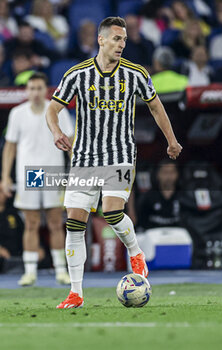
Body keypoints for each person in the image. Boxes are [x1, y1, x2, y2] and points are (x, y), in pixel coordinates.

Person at [46, 16, 182, 309]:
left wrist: (171, 140)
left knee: (110, 213)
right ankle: (76, 293)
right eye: (117, 39)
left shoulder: (135, 73)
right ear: (101, 40)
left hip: (119, 155)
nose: (122, 44)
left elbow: (156, 106)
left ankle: (135, 251)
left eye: (124, 40)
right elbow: (53, 109)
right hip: (83, 159)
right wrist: (57, 132)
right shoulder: (77, 74)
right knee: (74, 223)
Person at [1, 72, 74, 286]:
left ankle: (61, 270)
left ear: (46, 90)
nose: (34, 92)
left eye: (39, 88)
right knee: (31, 224)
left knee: (55, 223)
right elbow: (10, 147)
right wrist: (5, 176)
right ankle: (30, 271)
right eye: (31, 88)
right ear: (26, 90)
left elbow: (70, 142)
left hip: (53, 172)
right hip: (29, 174)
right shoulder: (17, 113)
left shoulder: (57, 111)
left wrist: (77, 170)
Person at [138, 160, 180, 230]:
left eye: (172, 172)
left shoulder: (184, 197)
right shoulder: (148, 197)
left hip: (178, 237)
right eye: (165, 172)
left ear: (177, 174)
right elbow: (142, 223)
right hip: (153, 236)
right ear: (158, 175)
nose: (169, 176)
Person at [0, 182, 23, 272]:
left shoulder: (13, 213)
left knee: (43, 257)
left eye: (3, 191)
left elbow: (23, 232)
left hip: (15, 254)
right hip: (2, 255)